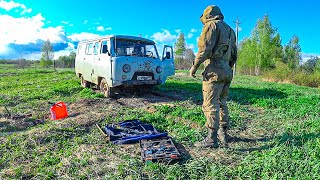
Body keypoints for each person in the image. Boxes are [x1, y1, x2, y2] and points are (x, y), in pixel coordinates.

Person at [189, 5, 237, 148]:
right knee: (222, 102)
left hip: (214, 69)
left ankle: (211, 139)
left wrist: (195, 66)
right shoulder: (230, 30)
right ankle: (223, 134)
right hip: (227, 70)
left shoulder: (211, 25)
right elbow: (234, 54)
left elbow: (205, 49)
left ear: (207, 16)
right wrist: (228, 67)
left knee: (210, 104)